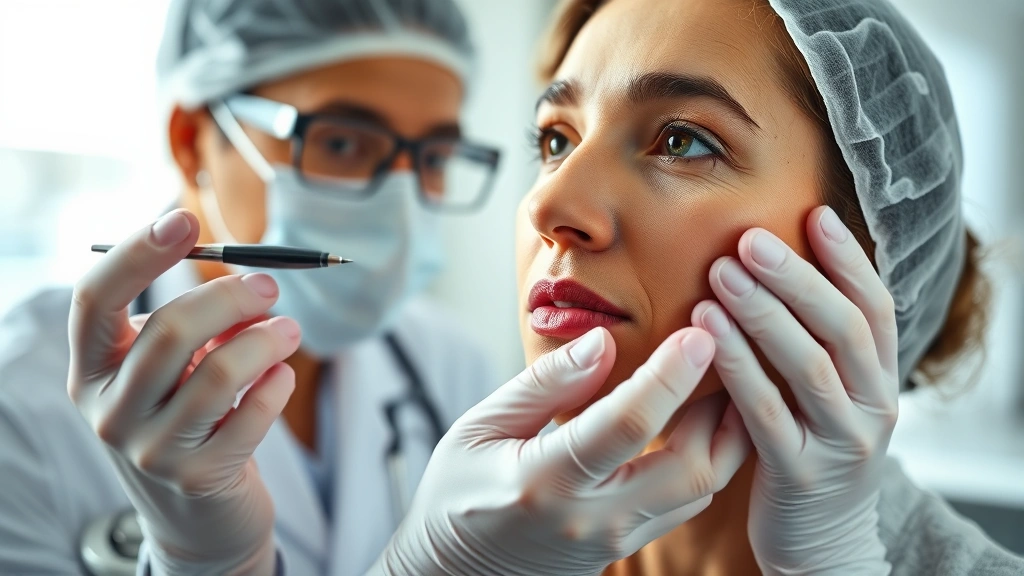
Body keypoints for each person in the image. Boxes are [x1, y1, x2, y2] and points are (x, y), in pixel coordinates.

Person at [371, 0, 1024, 574]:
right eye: (556, 140)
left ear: (865, 252)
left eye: (681, 141)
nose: (549, 205)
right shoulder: (436, 522)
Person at [0, 0, 506, 574]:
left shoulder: (454, 370)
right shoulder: (18, 409)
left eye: (434, 156)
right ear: (192, 140)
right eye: (341, 143)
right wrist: (199, 560)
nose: (402, 204)